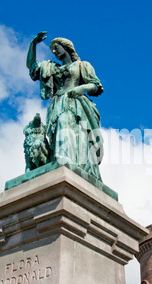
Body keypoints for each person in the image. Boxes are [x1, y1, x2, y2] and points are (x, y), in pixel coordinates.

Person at [26, 32, 104, 180]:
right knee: (58, 131)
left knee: (68, 125)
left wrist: (81, 88)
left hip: (76, 103)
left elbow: (96, 86)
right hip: (57, 103)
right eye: (53, 50)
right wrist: (33, 45)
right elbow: (32, 67)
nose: (55, 52)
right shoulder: (52, 67)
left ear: (66, 47)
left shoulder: (82, 66)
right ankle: (60, 161)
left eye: (57, 48)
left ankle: (65, 161)